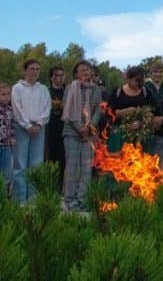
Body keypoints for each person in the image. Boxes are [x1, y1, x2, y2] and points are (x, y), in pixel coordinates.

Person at [61, 60, 101, 212]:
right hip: (72, 132)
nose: (86, 72)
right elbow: (68, 109)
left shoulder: (96, 89)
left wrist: (90, 127)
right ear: (76, 74)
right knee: (72, 167)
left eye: (88, 70)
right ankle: (69, 199)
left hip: (89, 134)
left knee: (86, 168)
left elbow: (98, 109)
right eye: (82, 70)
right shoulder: (71, 88)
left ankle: (82, 199)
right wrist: (80, 128)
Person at [12, 58, 51, 203]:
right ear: (25, 70)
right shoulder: (18, 88)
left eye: (37, 69)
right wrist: (27, 125)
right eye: (32, 68)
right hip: (22, 128)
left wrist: (39, 124)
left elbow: (47, 108)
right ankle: (19, 199)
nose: (34, 72)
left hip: (39, 128)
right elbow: (17, 108)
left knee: (36, 164)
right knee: (20, 163)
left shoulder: (43, 89)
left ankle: (33, 199)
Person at [106, 66, 163, 153]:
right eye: (137, 81)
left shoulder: (146, 92)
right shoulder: (117, 92)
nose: (140, 84)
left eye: (142, 81)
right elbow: (108, 111)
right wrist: (123, 112)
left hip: (140, 135)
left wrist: (146, 120)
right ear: (128, 79)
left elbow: (156, 110)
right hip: (119, 134)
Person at [46, 65, 67, 180]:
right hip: (49, 127)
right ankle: (49, 185)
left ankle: (59, 188)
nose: (59, 78)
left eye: (62, 75)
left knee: (62, 159)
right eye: (56, 75)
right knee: (50, 157)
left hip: (63, 127)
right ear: (51, 77)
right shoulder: (46, 91)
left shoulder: (67, 91)